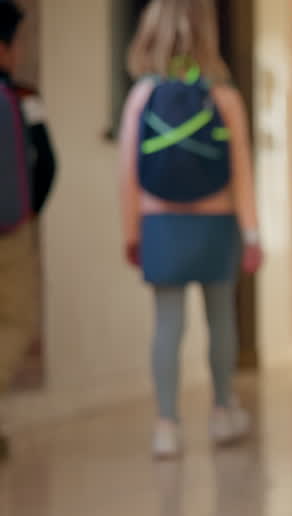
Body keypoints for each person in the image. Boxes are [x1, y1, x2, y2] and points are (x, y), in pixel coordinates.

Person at [117, 0, 263, 459]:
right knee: (220, 317)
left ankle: (166, 424)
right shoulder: (223, 95)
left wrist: (132, 232)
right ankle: (222, 411)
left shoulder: (141, 95)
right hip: (216, 221)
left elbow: (127, 172)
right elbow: (240, 168)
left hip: (160, 222)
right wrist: (253, 233)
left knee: (167, 324)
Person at [0, 0, 56, 460]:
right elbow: (48, 162)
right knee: (16, 321)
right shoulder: (24, 98)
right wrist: (28, 210)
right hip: (9, 230)